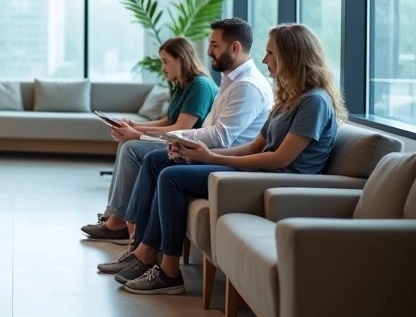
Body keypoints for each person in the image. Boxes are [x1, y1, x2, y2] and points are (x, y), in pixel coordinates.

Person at [113, 23, 345, 294]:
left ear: (291, 56)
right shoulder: (288, 99)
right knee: (161, 161)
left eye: (270, 53)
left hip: (278, 181)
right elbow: (253, 147)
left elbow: (280, 159)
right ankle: (144, 252)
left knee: (172, 177)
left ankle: (169, 272)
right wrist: (203, 154)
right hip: (261, 173)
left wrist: (214, 158)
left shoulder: (313, 101)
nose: (263, 59)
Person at [83, 18, 273, 253]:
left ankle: (134, 237)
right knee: (145, 154)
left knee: (143, 155)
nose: (208, 50)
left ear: (234, 47)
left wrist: (159, 137)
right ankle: (133, 237)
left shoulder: (245, 86)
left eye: (214, 44)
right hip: (212, 152)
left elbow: (219, 136)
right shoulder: (230, 80)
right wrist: (143, 129)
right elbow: (187, 125)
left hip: (222, 158)